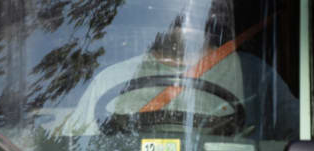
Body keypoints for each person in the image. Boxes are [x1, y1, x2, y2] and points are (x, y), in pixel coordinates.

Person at [62, 11, 297, 139]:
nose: (184, 14)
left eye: (195, 7)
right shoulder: (110, 80)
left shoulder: (253, 74)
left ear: (214, 11)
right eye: (170, 6)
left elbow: (301, 139)